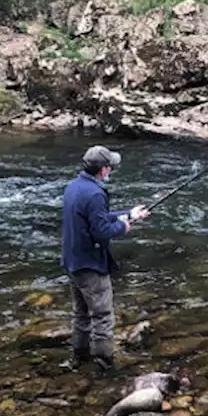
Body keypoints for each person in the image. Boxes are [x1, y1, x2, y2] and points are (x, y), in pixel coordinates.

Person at [60, 145, 149, 371]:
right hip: (91, 266)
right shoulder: (96, 194)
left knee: (80, 314)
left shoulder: (73, 187)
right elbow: (101, 231)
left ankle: (79, 359)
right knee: (102, 316)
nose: (111, 170)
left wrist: (128, 214)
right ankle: (104, 365)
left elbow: (96, 218)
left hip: (72, 262)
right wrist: (124, 227)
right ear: (103, 170)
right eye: (110, 166)